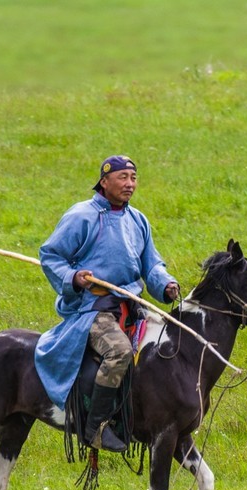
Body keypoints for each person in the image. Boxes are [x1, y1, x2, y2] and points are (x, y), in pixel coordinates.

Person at [35, 155, 179, 452]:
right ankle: (96, 427)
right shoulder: (81, 216)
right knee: (119, 351)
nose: (130, 184)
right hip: (93, 309)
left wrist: (165, 284)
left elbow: (151, 265)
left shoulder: (137, 220)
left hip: (131, 305)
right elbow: (51, 256)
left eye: (134, 178)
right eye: (123, 178)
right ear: (104, 181)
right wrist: (74, 278)